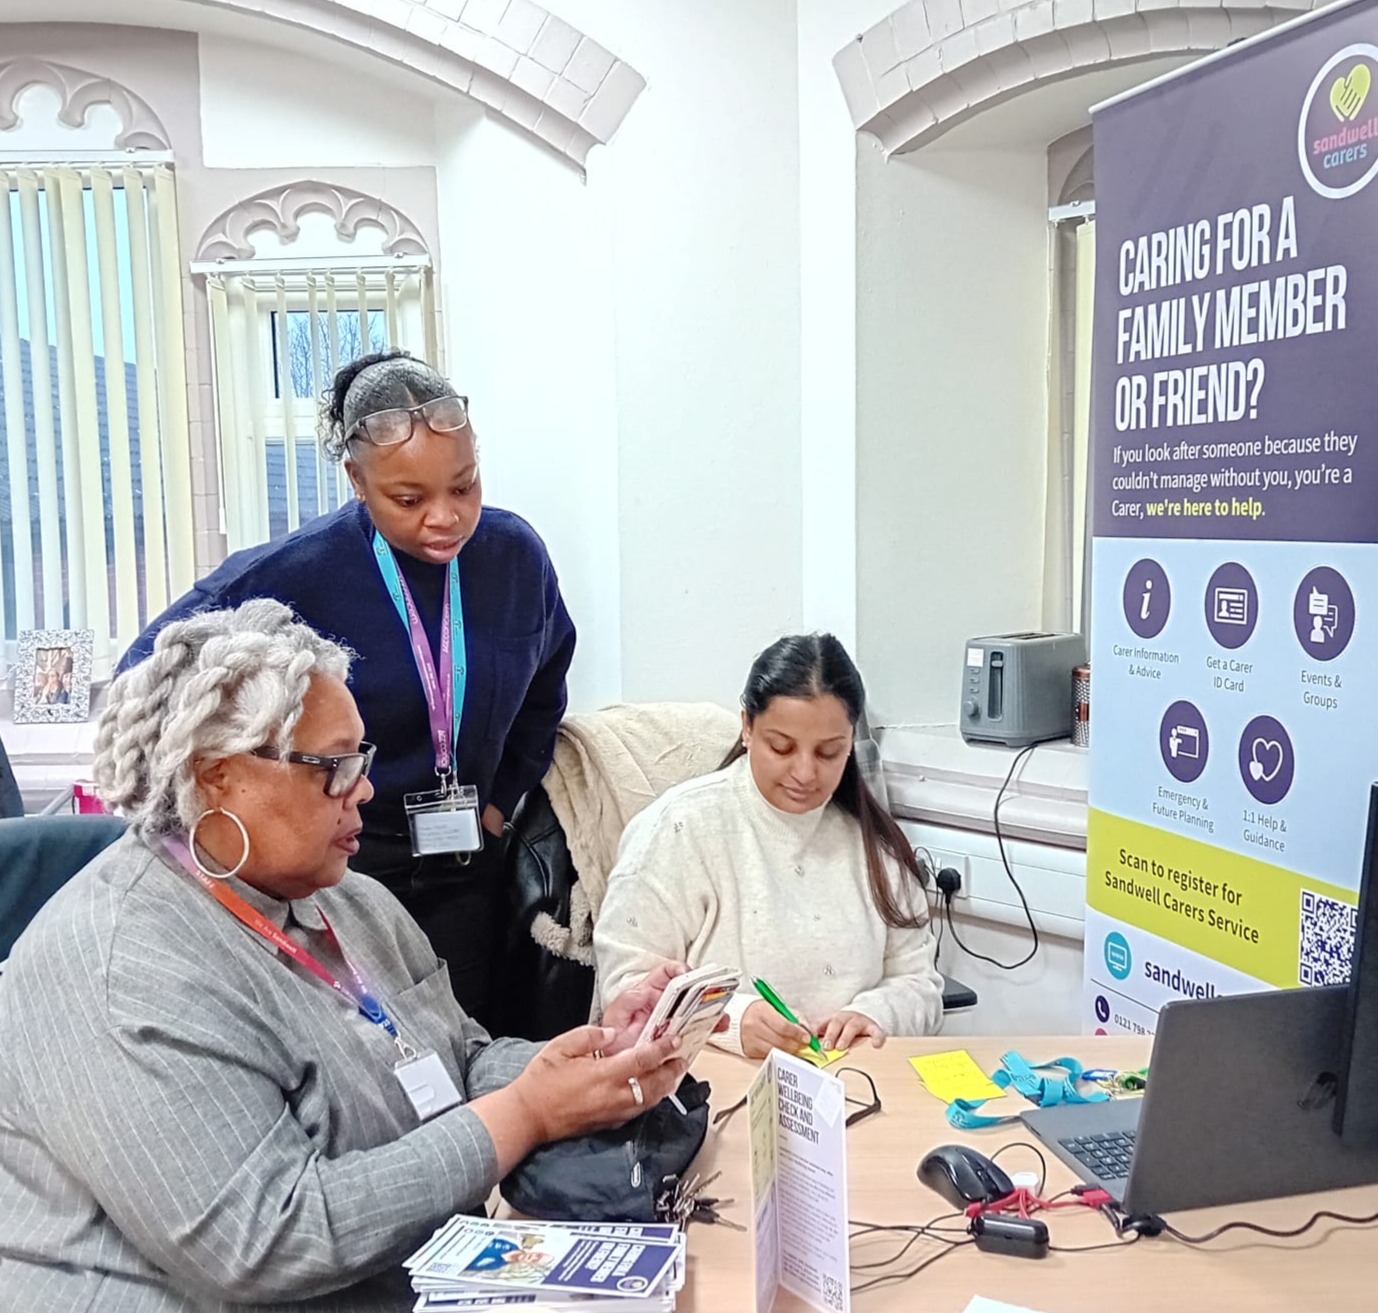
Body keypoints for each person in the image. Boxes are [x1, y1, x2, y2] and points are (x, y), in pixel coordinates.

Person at [0, 601, 683, 1312]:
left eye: (362, 758)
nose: (363, 787)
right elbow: (266, 1240)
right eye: (332, 766)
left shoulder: (346, 898)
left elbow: (459, 1058)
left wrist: (597, 1055)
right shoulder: (122, 967)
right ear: (215, 777)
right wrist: (526, 1115)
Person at [120, 351, 575, 1027]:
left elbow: (546, 685)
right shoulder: (295, 572)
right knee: (364, 1050)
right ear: (356, 480)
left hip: (467, 862)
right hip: (345, 867)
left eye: (465, 486)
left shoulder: (513, 556)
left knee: (465, 1039)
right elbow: (145, 679)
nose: (445, 517)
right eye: (409, 499)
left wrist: (500, 803)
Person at [595, 633, 944, 1059]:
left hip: (853, 1082)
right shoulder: (679, 829)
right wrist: (733, 1022)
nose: (804, 773)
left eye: (829, 753)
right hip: (715, 1089)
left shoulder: (874, 843)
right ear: (747, 726)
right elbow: (627, 988)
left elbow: (920, 984)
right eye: (782, 747)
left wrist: (877, 1014)